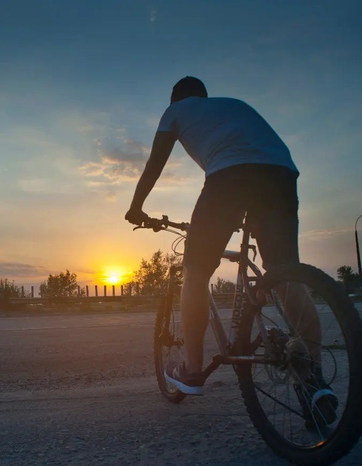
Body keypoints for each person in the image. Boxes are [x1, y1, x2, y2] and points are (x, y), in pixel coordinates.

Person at [125, 77, 336, 424]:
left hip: (229, 177)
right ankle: (313, 379)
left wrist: (136, 207)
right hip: (280, 174)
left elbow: (154, 164)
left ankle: (192, 370)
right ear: (205, 96)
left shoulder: (175, 111)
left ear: (176, 99)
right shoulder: (232, 105)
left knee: (195, 271)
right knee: (284, 272)